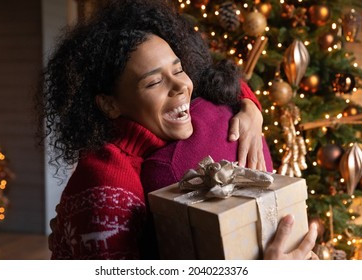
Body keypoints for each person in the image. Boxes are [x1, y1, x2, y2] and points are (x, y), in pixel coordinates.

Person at [38, 0, 317, 260]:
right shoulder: (105, 186)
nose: (181, 86)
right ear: (110, 105)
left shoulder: (154, 130)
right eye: (153, 82)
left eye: (179, 68)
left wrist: (250, 107)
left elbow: (213, 78)